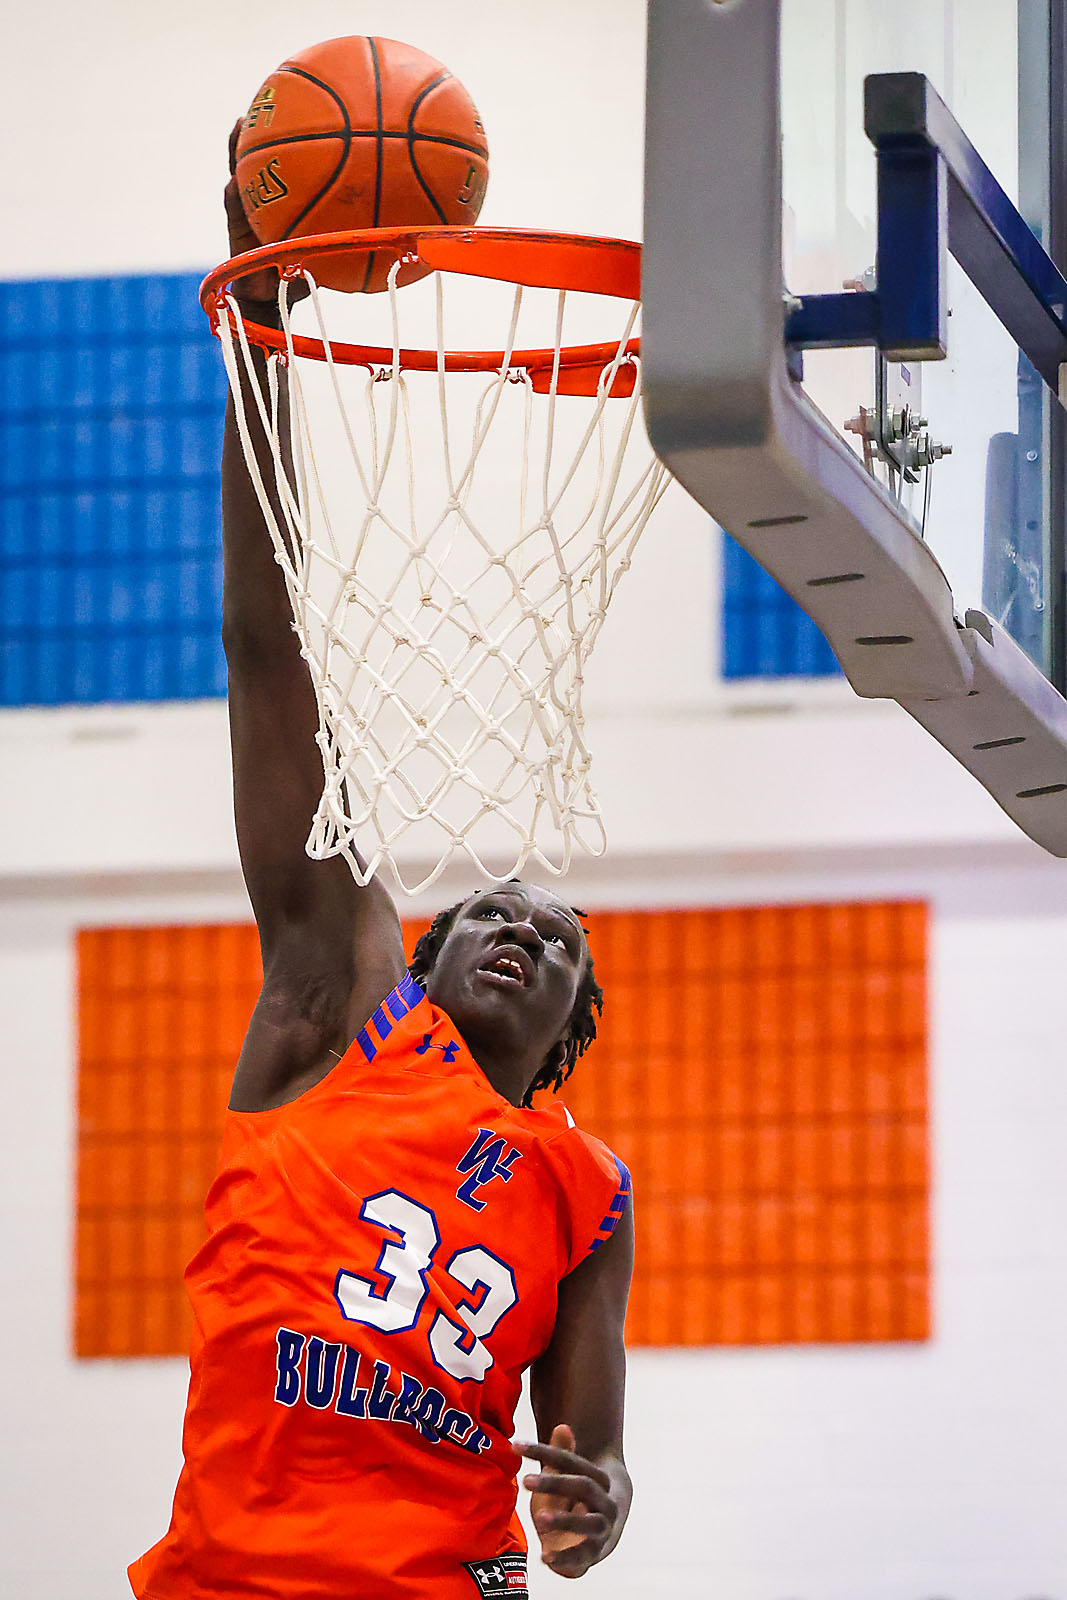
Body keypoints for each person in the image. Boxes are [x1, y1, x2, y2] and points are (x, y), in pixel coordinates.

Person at [127, 129, 634, 1600]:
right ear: (414, 950)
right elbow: (267, 651)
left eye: (555, 936)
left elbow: (584, 1477)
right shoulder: (340, 1017)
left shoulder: (587, 1189)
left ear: (570, 1025)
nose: (521, 923)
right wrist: (271, 332)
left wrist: (597, 1499)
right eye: (490, 905)